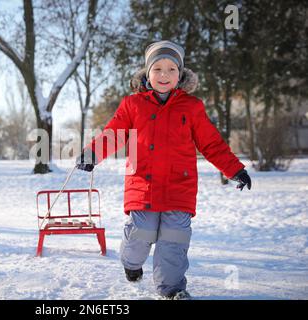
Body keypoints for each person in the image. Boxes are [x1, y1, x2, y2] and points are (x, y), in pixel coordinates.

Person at [76, 40, 252, 300]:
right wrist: (92, 153)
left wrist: (234, 169)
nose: (164, 75)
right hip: (142, 185)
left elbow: (211, 143)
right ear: (148, 72)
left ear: (180, 74)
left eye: (171, 69)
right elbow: (114, 134)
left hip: (179, 187)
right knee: (140, 234)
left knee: (174, 240)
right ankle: (131, 264)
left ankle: (172, 290)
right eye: (157, 69)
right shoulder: (133, 104)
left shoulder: (191, 107)